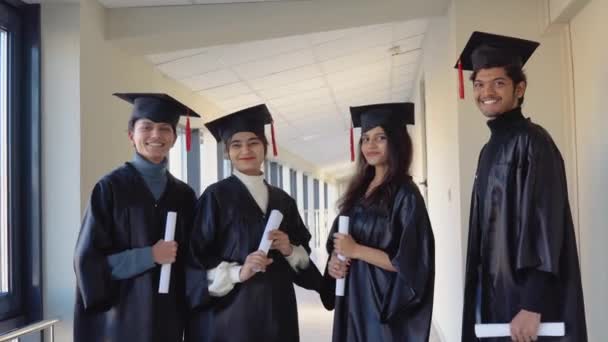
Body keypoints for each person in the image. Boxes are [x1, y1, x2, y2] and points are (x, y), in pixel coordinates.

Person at [457, 32, 588, 342]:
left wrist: (533, 302)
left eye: (498, 83)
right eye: (479, 84)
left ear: (520, 88)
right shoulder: (490, 149)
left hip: (525, 304)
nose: (486, 92)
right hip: (496, 294)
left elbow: (545, 225)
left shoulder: (532, 141)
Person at [185, 104, 322, 342]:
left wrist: (289, 249)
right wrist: (239, 272)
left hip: (277, 311)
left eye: (253, 142)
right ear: (227, 153)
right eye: (236, 144)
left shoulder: (283, 200)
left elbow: (304, 259)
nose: (245, 150)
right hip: (231, 316)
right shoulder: (215, 196)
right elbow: (195, 259)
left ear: (265, 148)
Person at [74, 93, 199, 342]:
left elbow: (195, 259)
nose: (156, 135)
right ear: (131, 135)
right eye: (147, 127)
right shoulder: (109, 188)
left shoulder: (184, 195)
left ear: (174, 138)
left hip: (169, 316)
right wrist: (149, 256)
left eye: (165, 128)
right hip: (121, 317)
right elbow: (88, 262)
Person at [320, 102, 435, 342]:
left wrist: (357, 250)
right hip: (353, 298)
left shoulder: (406, 194)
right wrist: (334, 263)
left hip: (383, 304)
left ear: (396, 142)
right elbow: (338, 244)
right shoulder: (357, 192)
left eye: (380, 137)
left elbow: (411, 263)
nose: (370, 145)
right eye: (365, 138)